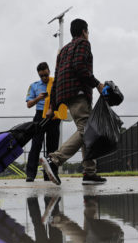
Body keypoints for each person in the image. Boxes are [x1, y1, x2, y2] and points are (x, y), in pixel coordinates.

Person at [41, 18, 106, 186]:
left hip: (65, 93)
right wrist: (97, 84)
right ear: (84, 31)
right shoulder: (83, 44)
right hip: (78, 92)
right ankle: (54, 159)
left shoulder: (63, 50)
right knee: (86, 130)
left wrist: (53, 107)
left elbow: (56, 79)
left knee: (86, 131)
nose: (88, 34)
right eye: (88, 31)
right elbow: (79, 66)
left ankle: (89, 172)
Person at [24, 62, 60, 182]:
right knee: (36, 144)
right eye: (41, 76)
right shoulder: (33, 86)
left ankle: (50, 174)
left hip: (53, 116)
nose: (44, 78)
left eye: (45, 74)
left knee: (52, 146)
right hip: (40, 115)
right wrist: (38, 98)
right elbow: (29, 104)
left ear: (49, 71)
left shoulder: (55, 82)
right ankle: (30, 174)